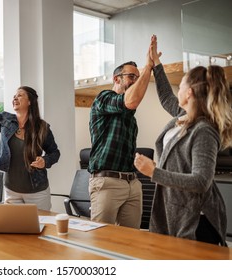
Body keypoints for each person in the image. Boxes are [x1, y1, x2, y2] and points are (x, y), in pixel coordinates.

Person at [134, 35, 230, 246]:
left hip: (197, 219)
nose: (178, 89)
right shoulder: (183, 118)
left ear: (189, 92)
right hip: (174, 209)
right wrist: (155, 64)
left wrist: (153, 172)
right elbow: (167, 97)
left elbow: (201, 181)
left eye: (181, 84)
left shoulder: (203, 130)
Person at [88, 37, 154, 228]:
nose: (136, 79)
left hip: (132, 184)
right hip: (107, 182)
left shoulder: (130, 117)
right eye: (131, 76)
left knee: (131, 243)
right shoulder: (104, 98)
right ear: (117, 79)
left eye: (137, 76)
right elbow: (130, 101)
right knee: (101, 241)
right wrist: (148, 68)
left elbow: (131, 104)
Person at [0, 84, 60, 211]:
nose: (15, 98)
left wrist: (45, 161)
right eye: (14, 96)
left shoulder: (42, 128)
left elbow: (54, 153)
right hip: (12, 191)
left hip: (37, 192)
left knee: (41, 227)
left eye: (20, 95)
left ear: (30, 102)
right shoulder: (5, 121)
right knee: (14, 229)